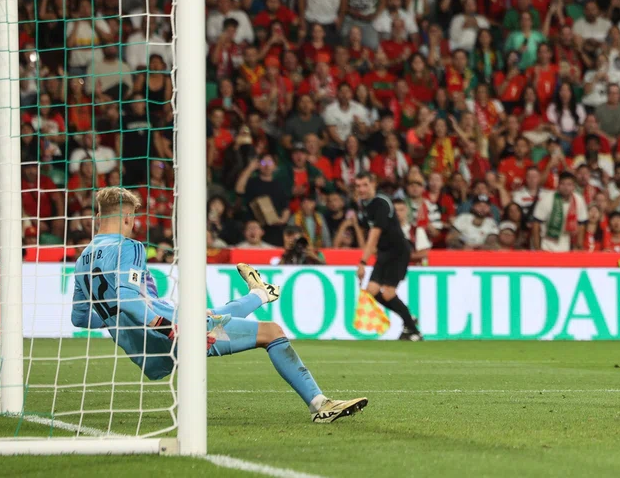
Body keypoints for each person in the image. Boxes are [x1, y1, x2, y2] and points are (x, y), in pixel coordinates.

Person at [71, 187, 366, 423]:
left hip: (144, 350)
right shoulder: (129, 247)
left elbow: (81, 318)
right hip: (169, 335)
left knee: (210, 315)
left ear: (100, 215)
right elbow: (129, 299)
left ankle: (259, 294)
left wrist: (120, 323)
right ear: (126, 218)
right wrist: (170, 328)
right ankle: (320, 405)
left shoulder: (83, 257)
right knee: (272, 331)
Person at [354, 172, 423, 340]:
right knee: (372, 290)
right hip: (384, 252)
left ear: (373, 184)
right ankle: (408, 318)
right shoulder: (366, 205)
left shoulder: (382, 203)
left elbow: (374, 235)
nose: (361, 189)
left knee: (388, 293)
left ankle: (414, 331)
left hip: (398, 251)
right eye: (358, 186)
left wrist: (363, 261)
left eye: (365, 185)